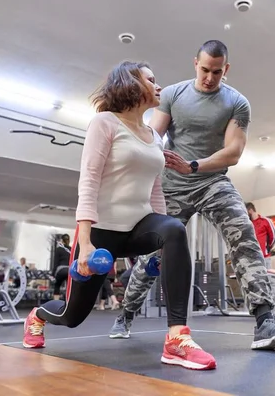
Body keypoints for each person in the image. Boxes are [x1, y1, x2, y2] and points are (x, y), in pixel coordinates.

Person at [22, 60, 217, 371]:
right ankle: (38, 315)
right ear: (131, 83)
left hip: (138, 227)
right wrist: (84, 243)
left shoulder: (155, 136)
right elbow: (89, 181)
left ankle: (176, 339)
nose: (158, 86)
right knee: (71, 317)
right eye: (151, 80)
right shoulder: (105, 123)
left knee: (175, 230)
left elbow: (155, 192)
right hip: (101, 235)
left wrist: (160, 243)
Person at [110, 40, 275, 351]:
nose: (209, 77)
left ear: (226, 69)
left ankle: (265, 319)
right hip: (171, 185)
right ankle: (126, 313)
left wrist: (194, 166)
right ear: (194, 63)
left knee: (243, 232)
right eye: (204, 70)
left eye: (216, 72)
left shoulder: (237, 102)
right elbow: (155, 137)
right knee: (152, 257)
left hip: (211, 181)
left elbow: (234, 152)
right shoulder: (172, 94)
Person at [245, 202, 275, 269]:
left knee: (267, 278)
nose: (245, 214)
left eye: (246, 212)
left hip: (264, 257)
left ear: (250, 210)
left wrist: (267, 248)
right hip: (253, 259)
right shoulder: (248, 224)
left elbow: (274, 237)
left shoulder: (265, 220)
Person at [52, 234, 71, 300]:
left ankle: (56, 302)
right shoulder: (71, 249)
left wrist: (53, 274)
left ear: (62, 240)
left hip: (61, 270)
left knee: (57, 285)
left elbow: (55, 263)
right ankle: (68, 303)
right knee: (69, 288)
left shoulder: (59, 249)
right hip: (70, 270)